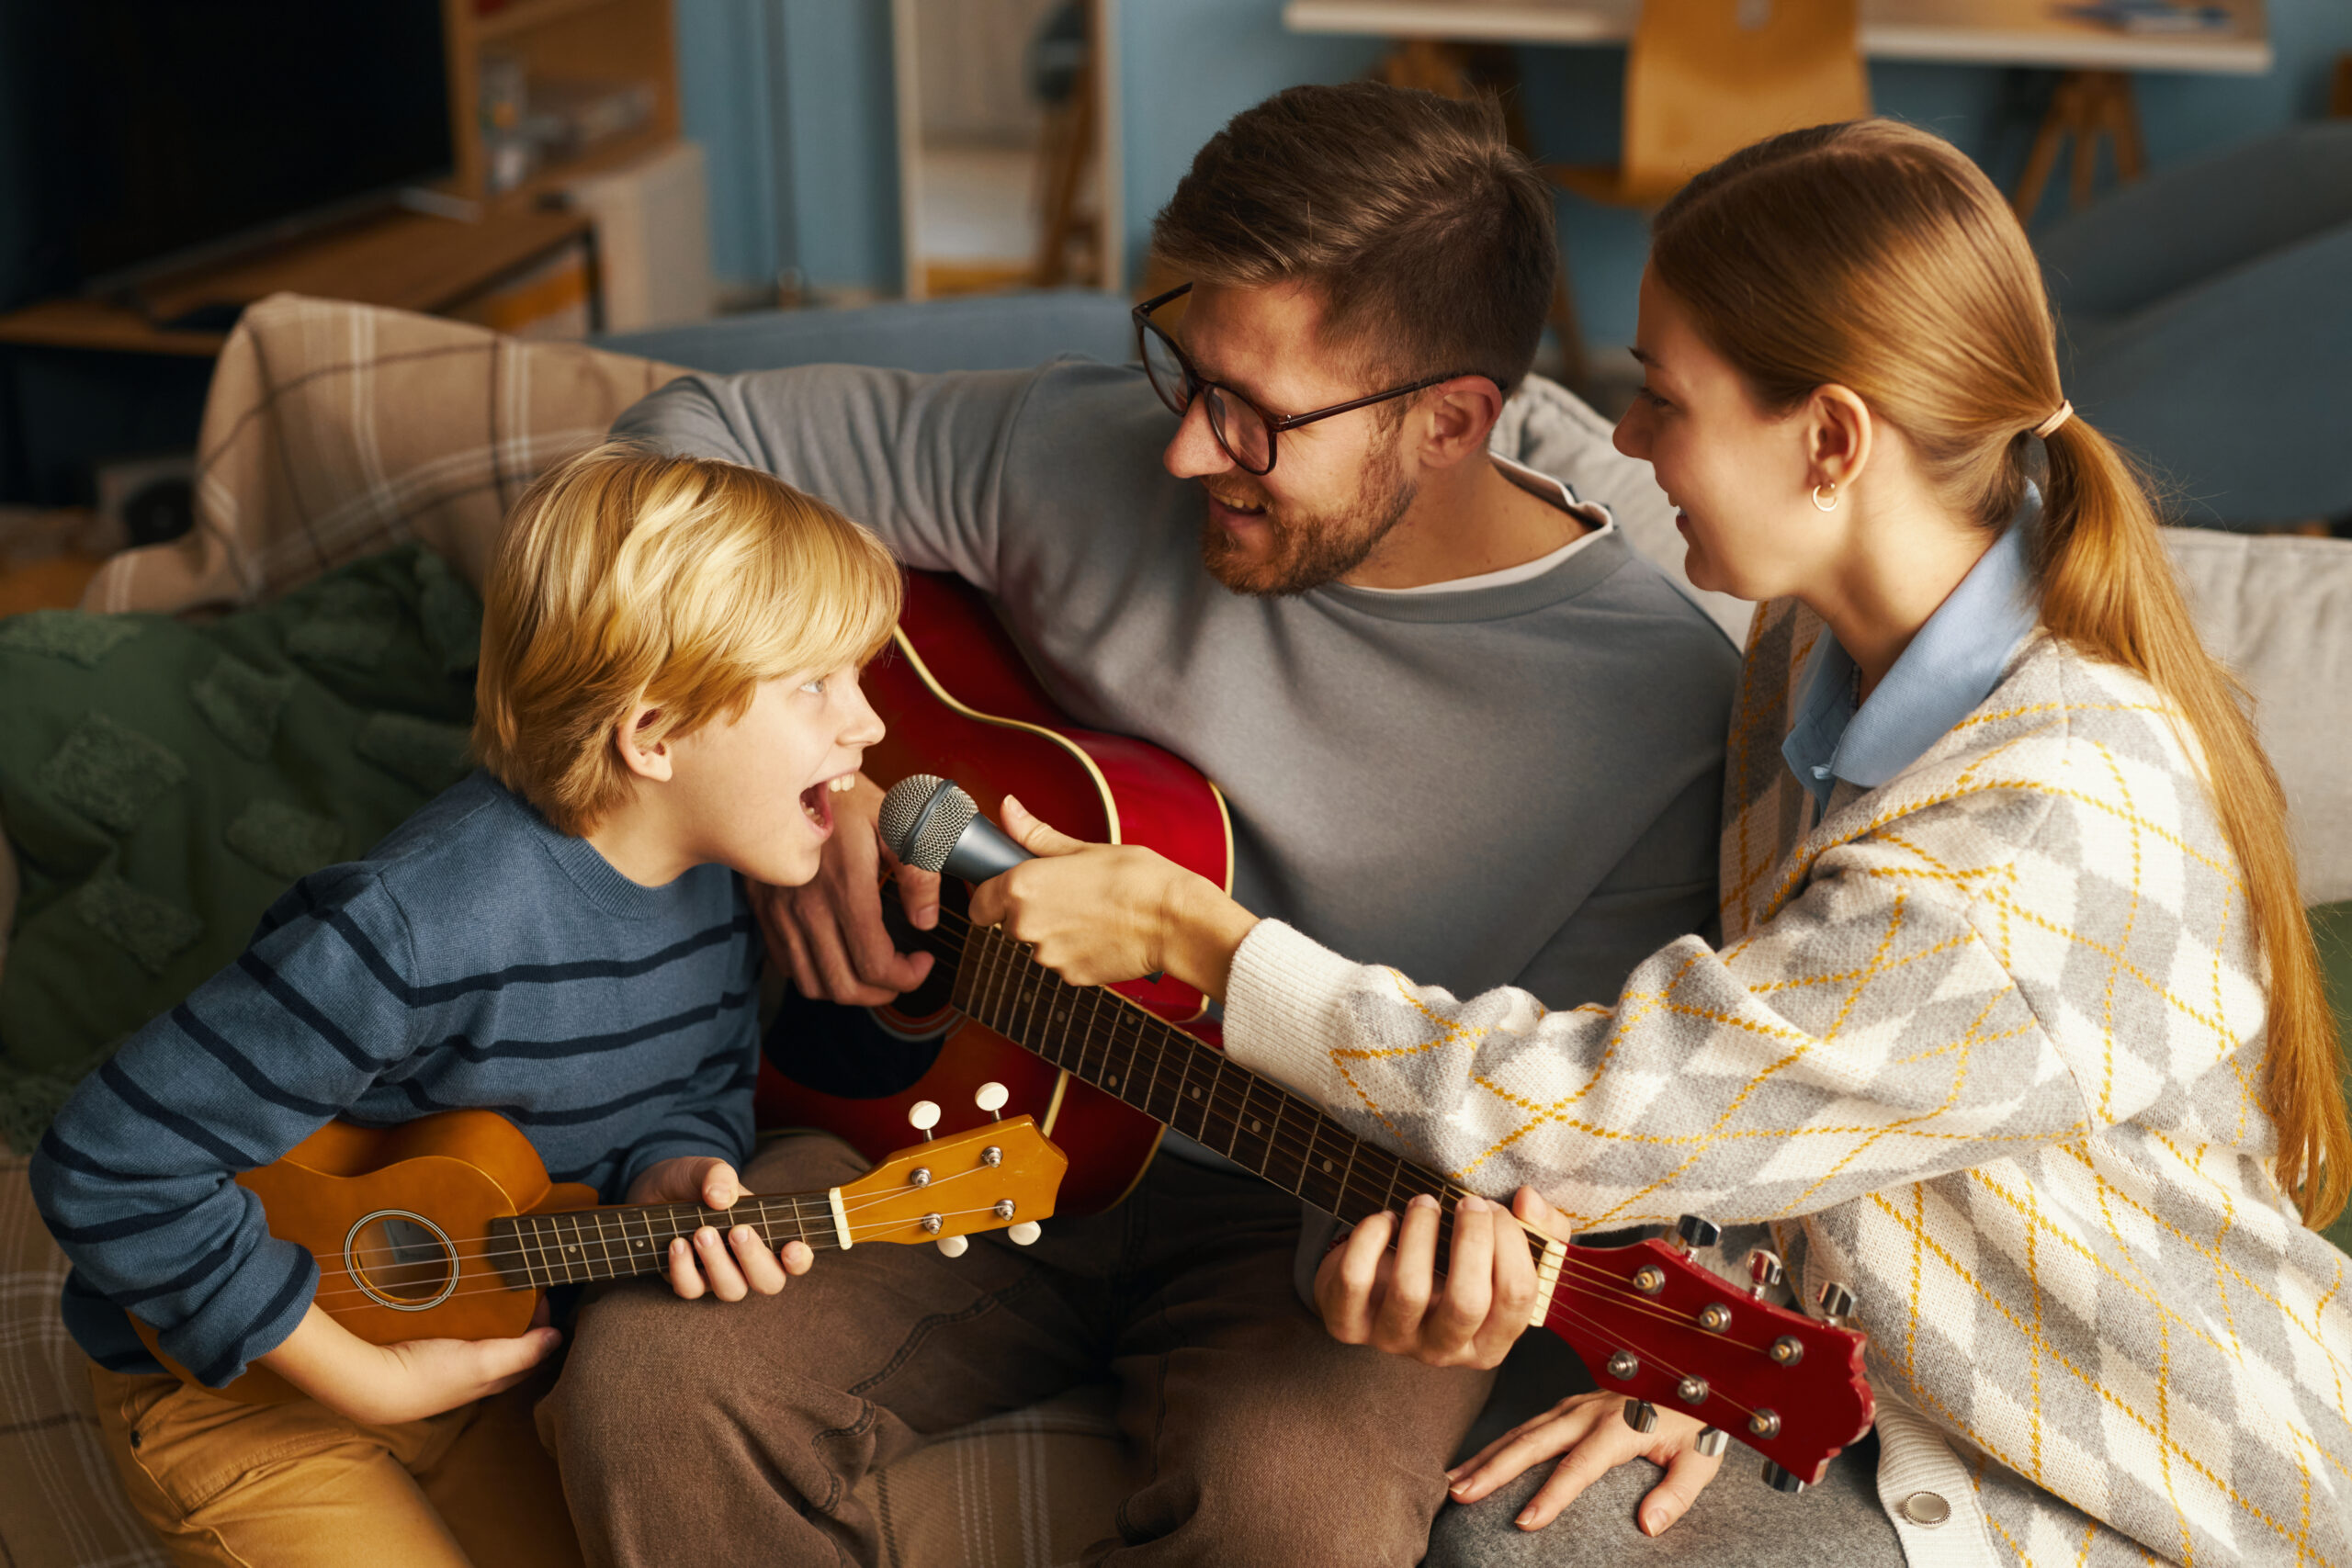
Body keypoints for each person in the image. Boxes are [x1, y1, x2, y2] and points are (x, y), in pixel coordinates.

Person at [968, 118, 2352, 1568]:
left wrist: (1206, 938)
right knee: (1510, 1531)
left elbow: (1598, 1102)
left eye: (1659, 397)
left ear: (1830, 440)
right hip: (1879, 1398)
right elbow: (1780, 1110)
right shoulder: (1802, 648)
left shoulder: (2030, 848)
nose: (1619, 439)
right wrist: (1711, 1342)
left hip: (2122, 1485)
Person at [539, 83, 1742, 1567]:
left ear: (1450, 421)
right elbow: (666, 449)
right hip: (947, 1128)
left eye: (1256, 415)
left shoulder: (1667, 716)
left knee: (1296, 1515)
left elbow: (1569, 1123)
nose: (1181, 454)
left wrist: (1458, 1256)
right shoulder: (1087, 450)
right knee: (655, 1378)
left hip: (1305, 1228)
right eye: (1183, 368)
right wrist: (809, 781)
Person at [28, 444, 903, 1568]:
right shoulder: (417, 924)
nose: (869, 728)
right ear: (653, 736)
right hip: (237, 1392)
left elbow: (695, 1087)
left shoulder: (712, 887)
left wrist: (668, 1169)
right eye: (816, 686)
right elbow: (106, 1163)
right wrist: (370, 1381)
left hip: (456, 1358)